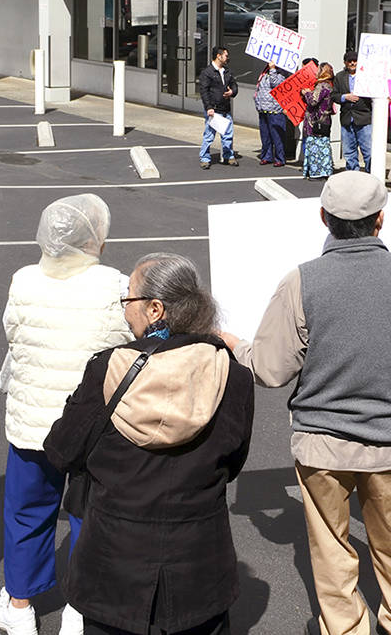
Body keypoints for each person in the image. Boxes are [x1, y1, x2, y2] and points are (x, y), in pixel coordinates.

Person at [224, 172, 391, 634]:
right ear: (381, 220)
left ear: (323, 217)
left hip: (321, 444)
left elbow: (269, 369)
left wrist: (234, 344)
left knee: (330, 550)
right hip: (390, 440)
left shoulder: (301, 281)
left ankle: (345, 629)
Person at [44, 253, 254, 635]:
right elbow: (233, 460)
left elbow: (61, 450)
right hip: (200, 567)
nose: (126, 311)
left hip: (113, 568)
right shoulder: (232, 375)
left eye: (129, 301)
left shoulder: (107, 369)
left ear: (155, 308)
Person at [0, 194, 134, 635]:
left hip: (33, 419)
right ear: (97, 238)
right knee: (88, 511)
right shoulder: (115, 285)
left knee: (27, 511)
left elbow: (13, 332)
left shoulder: (24, 280)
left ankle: (19, 606)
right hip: (92, 424)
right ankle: (79, 606)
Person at [333, 49, 372, 171]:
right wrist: (345, 97)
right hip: (346, 118)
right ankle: (353, 175)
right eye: (350, 61)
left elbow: (374, 93)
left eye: (355, 61)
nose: (352, 63)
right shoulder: (339, 77)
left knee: (368, 151)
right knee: (349, 152)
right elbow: (333, 95)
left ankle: (370, 174)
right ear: (345, 62)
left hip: (363, 118)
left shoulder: (367, 76)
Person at [199, 46, 237, 169]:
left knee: (228, 134)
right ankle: (205, 158)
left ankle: (228, 156)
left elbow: (234, 85)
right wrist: (209, 107)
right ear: (218, 56)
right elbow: (204, 91)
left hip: (225, 108)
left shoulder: (227, 71)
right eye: (226, 55)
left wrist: (232, 92)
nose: (228, 58)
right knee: (209, 135)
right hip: (214, 110)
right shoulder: (207, 73)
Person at [301, 62, 335, 180]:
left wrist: (306, 93)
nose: (316, 73)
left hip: (316, 121)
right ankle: (324, 170)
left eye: (318, 70)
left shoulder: (322, 86)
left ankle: (317, 172)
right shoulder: (330, 85)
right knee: (323, 145)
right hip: (324, 120)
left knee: (316, 146)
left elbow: (313, 101)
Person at [254, 61, 291, 167]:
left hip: (275, 109)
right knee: (265, 135)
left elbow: (276, 84)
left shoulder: (282, 73)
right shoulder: (265, 72)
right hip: (263, 108)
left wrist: (273, 69)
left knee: (277, 135)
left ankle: (280, 158)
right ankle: (266, 156)